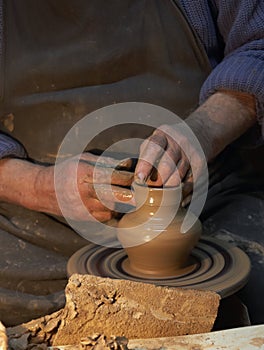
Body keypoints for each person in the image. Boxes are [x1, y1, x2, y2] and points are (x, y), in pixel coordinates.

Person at [0, 0, 263, 326]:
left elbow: (258, 45)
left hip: (209, 196)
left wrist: (204, 130)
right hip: (30, 224)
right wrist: (36, 186)